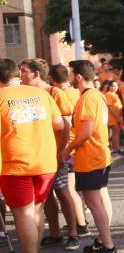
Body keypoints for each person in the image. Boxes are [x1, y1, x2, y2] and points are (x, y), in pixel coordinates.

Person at [0, 59, 64, 253]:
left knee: (24, 214)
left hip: (16, 164)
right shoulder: (41, 94)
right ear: (16, 74)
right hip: (45, 162)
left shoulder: (0, 98)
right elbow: (60, 124)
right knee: (36, 211)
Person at [19, 59, 78, 251]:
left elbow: (66, 126)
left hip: (55, 153)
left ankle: (73, 233)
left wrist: (61, 153)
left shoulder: (55, 93)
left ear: (36, 74)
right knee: (45, 196)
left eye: (24, 71)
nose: (20, 75)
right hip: (37, 155)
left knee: (62, 191)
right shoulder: (28, 94)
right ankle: (54, 233)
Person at [63, 60, 116, 253]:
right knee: (97, 202)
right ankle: (102, 241)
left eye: (70, 74)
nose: (69, 78)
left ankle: (108, 246)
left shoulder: (87, 98)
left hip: (91, 157)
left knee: (94, 203)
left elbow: (85, 132)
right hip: (98, 154)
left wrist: (67, 149)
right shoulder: (96, 95)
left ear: (77, 76)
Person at [48, 63, 89, 237]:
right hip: (77, 142)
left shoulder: (60, 94)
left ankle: (80, 224)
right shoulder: (75, 92)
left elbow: (64, 123)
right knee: (72, 189)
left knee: (69, 190)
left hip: (69, 144)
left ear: (51, 79)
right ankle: (80, 221)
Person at [101, 81, 123, 154]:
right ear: (109, 87)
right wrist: (117, 117)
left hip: (117, 117)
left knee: (116, 134)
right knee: (114, 134)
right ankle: (115, 149)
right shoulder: (108, 94)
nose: (116, 87)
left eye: (117, 86)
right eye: (114, 86)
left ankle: (116, 148)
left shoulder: (115, 94)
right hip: (112, 117)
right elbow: (110, 107)